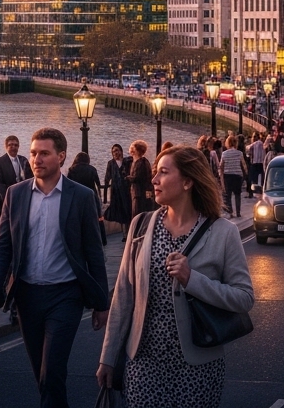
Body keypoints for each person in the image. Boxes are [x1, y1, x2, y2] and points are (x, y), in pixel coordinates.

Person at [99, 144, 254, 408]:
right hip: (143, 362)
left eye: (163, 173)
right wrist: (108, 357)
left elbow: (244, 298)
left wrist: (192, 279)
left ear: (187, 182)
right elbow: (123, 296)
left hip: (197, 365)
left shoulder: (223, 232)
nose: (154, 179)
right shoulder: (141, 225)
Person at [0, 128, 109, 408]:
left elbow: (93, 252)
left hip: (65, 295)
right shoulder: (15, 195)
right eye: (33, 153)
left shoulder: (81, 196)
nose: (36, 159)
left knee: (52, 370)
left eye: (44, 153)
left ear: (61, 156)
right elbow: (2, 247)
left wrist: (102, 302)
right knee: (41, 373)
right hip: (27, 296)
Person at [0, 135, 33, 237]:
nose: (13, 147)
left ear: (18, 146)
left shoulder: (23, 160)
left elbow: (30, 179)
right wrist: (8, 197)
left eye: (15, 145)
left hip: (21, 197)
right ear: (6, 147)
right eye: (10, 145)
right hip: (4, 198)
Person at [103, 144, 132, 240]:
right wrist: (105, 196)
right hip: (116, 191)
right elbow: (107, 178)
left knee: (127, 210)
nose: (115, 153)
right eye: (113, 151)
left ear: (121, 151)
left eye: (117, 150)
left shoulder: (127, 161)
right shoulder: (111, 163)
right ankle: (125, 234)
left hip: (126, 190)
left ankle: (127, 233)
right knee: (119, 212)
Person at [220, 137, 247, 218]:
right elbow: (244, 165)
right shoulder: (240, 153)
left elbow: (221, 166)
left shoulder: (224, 153)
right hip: (237, 176)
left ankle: (230, 212)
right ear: (236, 143)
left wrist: (221, 177)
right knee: (237, 194)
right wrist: (245, 174)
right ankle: (238, 212)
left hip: (227, 175)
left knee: (228, 195)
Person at [130, 140, 156, 217]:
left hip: (138, 194)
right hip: (141, 193)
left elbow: (137, 178)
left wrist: (128, 178)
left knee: (137, 215)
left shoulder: (140, 163)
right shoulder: (144, 161)